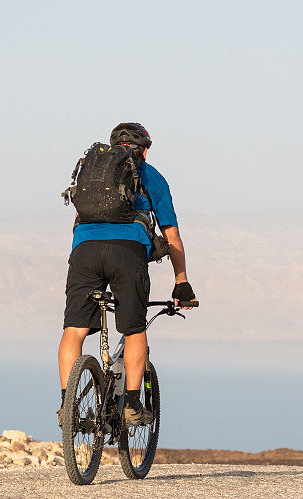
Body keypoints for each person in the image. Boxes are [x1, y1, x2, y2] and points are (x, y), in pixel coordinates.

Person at [58, 122, 196, 426]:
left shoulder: (93, 172)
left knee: (74, 330)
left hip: (85, 250)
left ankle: (67, 407)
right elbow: (171, 235)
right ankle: (132, 405)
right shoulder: (151, 176)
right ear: (144, 149)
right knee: (134, 329)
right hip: (127, 251)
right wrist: (181, 281)